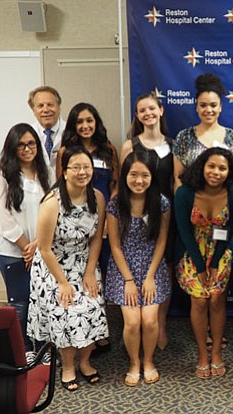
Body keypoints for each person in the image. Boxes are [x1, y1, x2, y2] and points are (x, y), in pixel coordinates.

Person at [27, 146, 108, 391]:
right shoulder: (52, 202)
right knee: (67, 312)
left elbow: (96, 239)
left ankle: (85, 362)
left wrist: (90, 271)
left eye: (87, 167)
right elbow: (44, 249)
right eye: (76, 167)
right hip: (53, 268)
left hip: (83, 263)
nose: (82, 172)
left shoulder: (98, 198)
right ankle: (69, 366)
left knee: (92, 307)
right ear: (64, 171)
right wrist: (63, 282)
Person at [175, 147, 233, 379]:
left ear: (230, 171)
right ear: (202, 167)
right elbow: (184, 230)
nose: (216, 172)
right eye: (211, 166)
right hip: (191, 250)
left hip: (221, 250)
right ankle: (202, 355)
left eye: (222, 168)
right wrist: (199, 263)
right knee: (198, 301)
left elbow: (229, 230)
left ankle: (216, 353)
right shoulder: (185, 192)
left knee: (216, 300)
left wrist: (214, 262)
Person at [104, 150, 171, 387]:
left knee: (150, 320)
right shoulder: (115, 204)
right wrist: (129, 280)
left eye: (145, 175)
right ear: (125, 175)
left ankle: (149, 361)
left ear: (152, 176)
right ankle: (134, 362)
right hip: (124, 269)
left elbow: (162, 241)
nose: (139, 180)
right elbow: (114, 245)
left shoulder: (161, 203)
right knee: (132, 321)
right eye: (133, 174)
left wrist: (151, 275)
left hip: (152, 265)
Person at [0, 123, 50, 362]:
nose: (27, 149)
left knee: (44, 302)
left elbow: (52, 209)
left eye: (32, 144)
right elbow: (2, 217)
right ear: (13, 147)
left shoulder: (45, 172)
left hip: (42, 249)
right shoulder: (3, 173)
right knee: (21, 305)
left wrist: (38, 244)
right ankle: (24, 348)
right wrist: (27, 246)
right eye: (22, 144)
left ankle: (43, 347)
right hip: (14, 252)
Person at [121, 92, 175, 351]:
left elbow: (177, 183)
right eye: (142, 110)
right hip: (137, 218)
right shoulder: (130, 145)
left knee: (166, 269)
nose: (148, 114)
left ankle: (160, 322)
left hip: (166, 215)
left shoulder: (173, 145)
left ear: (161, 110)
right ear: (137, 115)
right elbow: (123, 185)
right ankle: (141, 323)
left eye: (152, 108)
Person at [58, 103, 120, 308]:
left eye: (89, 120)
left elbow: (115, 185)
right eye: (80, 121)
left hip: (102, 219)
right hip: (76, 220)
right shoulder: (65, 151)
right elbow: (61, 186)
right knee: (77, 270)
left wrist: (107, 221)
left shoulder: (108, 149)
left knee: (101, 268)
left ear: (96, 122)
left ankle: (101, 323)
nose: (85, 125)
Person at [173, 73, 233, 191]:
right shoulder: (184, 136)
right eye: (203, 105)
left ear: (220, 107)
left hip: (225, 204)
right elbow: (178, 178)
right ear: (196, 107)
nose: (208, 110)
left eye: (213, 105)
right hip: (192, 203)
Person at [28, 85, 65, 181]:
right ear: (33, 110)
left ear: (59, 107)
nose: (46, 110)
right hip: (37, 190)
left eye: (50, 105)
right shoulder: (26, 134)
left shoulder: (71, 131)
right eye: (40, 106)